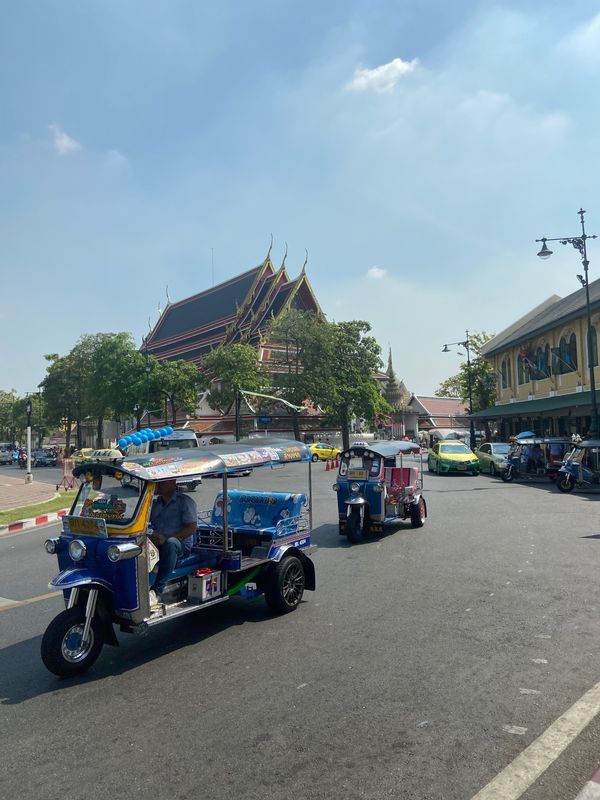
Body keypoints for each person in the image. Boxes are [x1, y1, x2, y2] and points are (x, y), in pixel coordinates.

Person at [148, 479, 197, 606]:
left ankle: (156, 592)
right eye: (158, 482)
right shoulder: (155, 503)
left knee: (171, 543)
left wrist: (165, 538)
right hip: (158, 543)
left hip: (180, 546)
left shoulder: (184, 502)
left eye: (162, 482)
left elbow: (191, 527)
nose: (159, 485)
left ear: (173, 482)